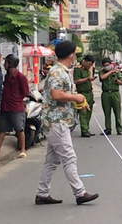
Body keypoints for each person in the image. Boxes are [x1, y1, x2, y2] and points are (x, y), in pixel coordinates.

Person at [35, 41, 99, 205]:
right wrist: (75, 97)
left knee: (52, 160)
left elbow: (62, 94)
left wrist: (77, 102)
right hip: (56, 122)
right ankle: (80, 192)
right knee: (69, 158)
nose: (76, 56)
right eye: (75, 53)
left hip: (59, 120)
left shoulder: (64, 71)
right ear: (71, 54)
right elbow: (56, 95)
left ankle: (42, 193)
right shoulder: (57, 72)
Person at [0, 55, 30, 158]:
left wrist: (17, 98)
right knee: (2, 129)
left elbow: (25, 92)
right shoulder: (6, 76)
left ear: (11, 64)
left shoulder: (20, 77)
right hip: (5, 106)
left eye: (6, 62)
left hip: (16, 107)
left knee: (19, 129)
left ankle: (22, 149)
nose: (4, 64)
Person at [72, 54, 96, 138]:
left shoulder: (87, 70)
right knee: (83, 112)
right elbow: (76, 81)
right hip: (82, 93)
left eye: (91, 64)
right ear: (84, 61)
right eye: (89, 64)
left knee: (89, 111)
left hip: (89, 93)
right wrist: (86, 79)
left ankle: (86, 128)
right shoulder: (78, 70)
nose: (90, 66)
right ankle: (84, 129)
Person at [98, 57, 122, 136]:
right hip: (105, 94)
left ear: (111, 64)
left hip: (115, 93)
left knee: (117, 112)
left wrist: (115, 80)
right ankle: (108, 129)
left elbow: (121, 82)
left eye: (108, 65)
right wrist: (111, 71)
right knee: (107, 112)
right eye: (105, 65)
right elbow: (102, 78)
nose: (107, 67)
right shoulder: (102, 72)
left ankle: (119, 129)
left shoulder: (117, 72)